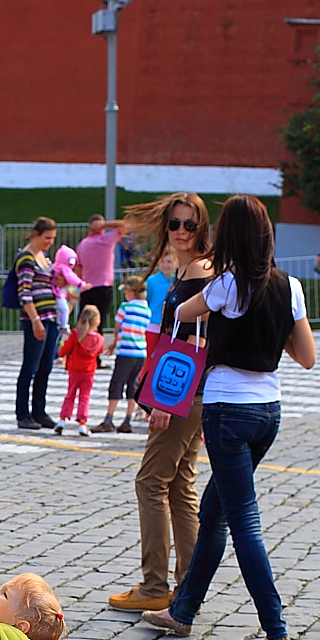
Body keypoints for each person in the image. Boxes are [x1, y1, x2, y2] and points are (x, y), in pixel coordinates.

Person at [142, 195, 316, 640]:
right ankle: (183, 610)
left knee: (243, 522)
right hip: (268, 411)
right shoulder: (290, 286)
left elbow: (181, 313)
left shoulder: (223, 286)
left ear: (230, 237)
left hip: (226, 411)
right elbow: (307, 356)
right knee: (214, 510)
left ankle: (276, 629)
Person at [108, 194, 213, 613]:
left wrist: (166, 401)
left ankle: (155, 585)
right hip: (193, 393)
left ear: (202, 227)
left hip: (184, 393)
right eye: (175, 224)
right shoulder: (192, 269)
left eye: (190, 224)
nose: (182, 231)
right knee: (179, 485)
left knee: (150, 482)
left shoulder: (199, 273)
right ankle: (187, 583)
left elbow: (195, 341)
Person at [14, 217, 59, 430]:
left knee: (46, 367)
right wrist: (35, 320)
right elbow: (25, 292)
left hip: (51, 317)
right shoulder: (26, 258)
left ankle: (39, 410)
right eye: (47, 238)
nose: (50, 242)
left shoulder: (45, 258)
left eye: (52, 238)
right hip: (36, 319)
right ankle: (23, 413)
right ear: (36, 235)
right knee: (30, 367)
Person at [90, 275, 150, 433]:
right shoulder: (147, 310)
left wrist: (113, 343)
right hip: (141, 352)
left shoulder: (125, 307)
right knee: (133, 386)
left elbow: (118, 328)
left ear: (132, 292)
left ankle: (109, 418)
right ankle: (127, 419)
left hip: (126, 351)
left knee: (117, 384)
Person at [75, 213, 129, 360]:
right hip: (103, 287)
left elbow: (78, 269)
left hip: (86, 287)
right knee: (98, 323)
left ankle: (79, 353)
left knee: (84, 322)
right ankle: (95, 357)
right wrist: (106, 225)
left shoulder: (82, 244)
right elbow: (126, 225)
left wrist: (79, 286)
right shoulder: (106, 240)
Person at [54, 304, 104, 436]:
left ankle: (62, 420)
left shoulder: (76, 335)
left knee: (70, 394)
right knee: (84, 397)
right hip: (89, 371)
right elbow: (99, 351)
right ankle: (82, 423)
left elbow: (63, 351)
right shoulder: (99, 339)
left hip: (74, 369)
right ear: (97, 321)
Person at [51, 243, 86, 337]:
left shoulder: (56, 267)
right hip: (59, 295)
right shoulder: (64, 269)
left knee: (63, 311)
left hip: (62, 296)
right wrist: (82, 284)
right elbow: (71, 279)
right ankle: (63, 326)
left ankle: (62, 326)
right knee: (63, 310)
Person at [145, 250, 176, 335]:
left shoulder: (178, 280)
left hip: (172, 324)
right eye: (162, 261)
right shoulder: (151, 281)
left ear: (176, 262)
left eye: (169, 262)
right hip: (153, 324)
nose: (165, 265)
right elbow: (145, 301)